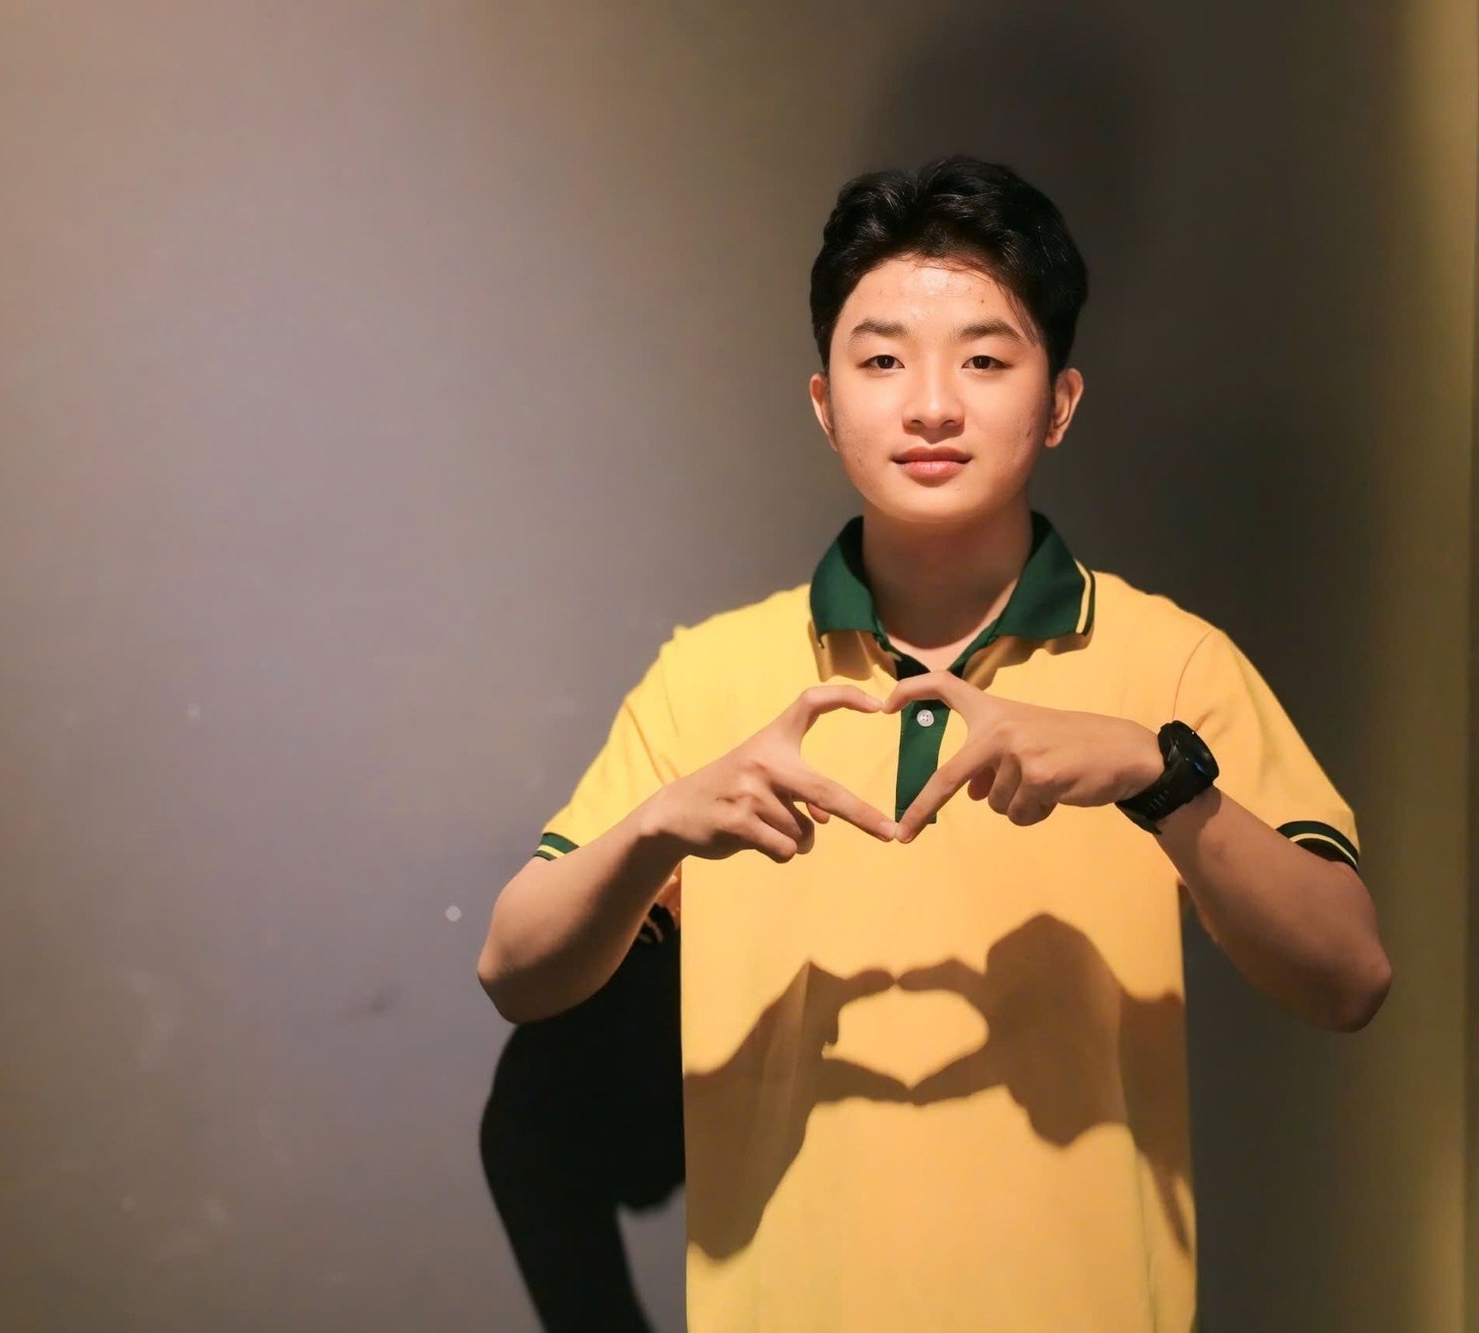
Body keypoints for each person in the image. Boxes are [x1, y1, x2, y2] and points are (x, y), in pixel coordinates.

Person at [477, 156, 1391, 1333]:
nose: (930, 406)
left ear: (1058, 401)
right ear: (824, 403)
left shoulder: (1170, 662)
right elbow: (517, 971)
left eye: (983, 359)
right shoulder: (707, 676)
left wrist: (1156, 774)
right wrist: (660, 825)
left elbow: (1346, 978)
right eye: (881, 361)